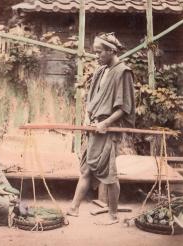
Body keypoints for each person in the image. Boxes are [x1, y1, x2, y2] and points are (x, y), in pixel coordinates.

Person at [67, 32, 135, 225]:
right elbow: (92, 100)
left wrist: (105, 123)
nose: (96, 56)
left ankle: (113, 215)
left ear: (111, 51)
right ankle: (73, 208)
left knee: (109, 174)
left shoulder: (123, 72)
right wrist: (90, 117)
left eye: (99, 52)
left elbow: (124, 108)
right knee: (87, 169)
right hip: (94, 128)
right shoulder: (101, 71)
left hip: (108, 130)